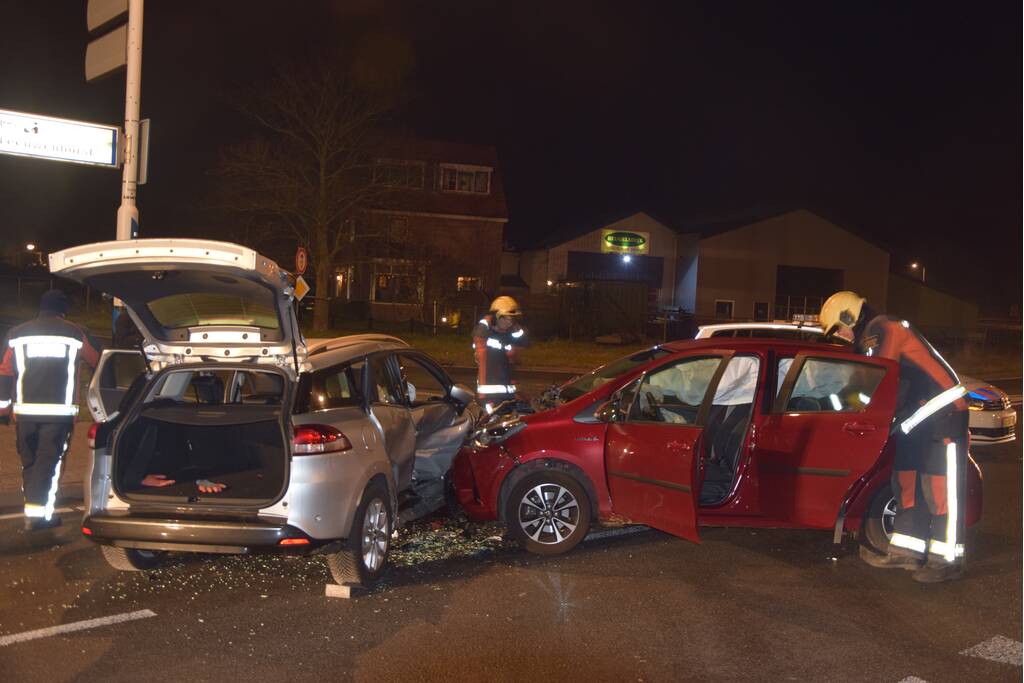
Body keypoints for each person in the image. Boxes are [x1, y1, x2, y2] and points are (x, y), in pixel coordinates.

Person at [819, 291, 968, 583]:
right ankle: (906, 551)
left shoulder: (883, 329)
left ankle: (947, 561)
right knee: (906, 483)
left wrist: (846, 406)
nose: (841, 335)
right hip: (915, 420)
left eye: (838, 327)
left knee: (939, 491)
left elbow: (879, 379)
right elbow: (867, 383)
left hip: (944, 415)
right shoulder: (866, 341)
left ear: (850, 316)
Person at [0, 290, 101, 530]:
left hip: (24, 412)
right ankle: (39, 516)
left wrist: (3, 409)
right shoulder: (74, 332)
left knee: (30, 461)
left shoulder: (17, 333)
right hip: (59, 412)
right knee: (50, 462)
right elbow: (96, 361)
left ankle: (34, 508)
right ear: (63, 310)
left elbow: (5, 372)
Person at [472, 296, 528, 413]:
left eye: (512, 320)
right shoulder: (484, 336)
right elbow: (479, 335)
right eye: (506, 319)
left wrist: (516, 329)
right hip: (490, 399)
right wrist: (488, 320)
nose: (509, 323)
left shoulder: (508, 336)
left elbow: (524, 342)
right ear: (496, 317)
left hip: (508, 397)